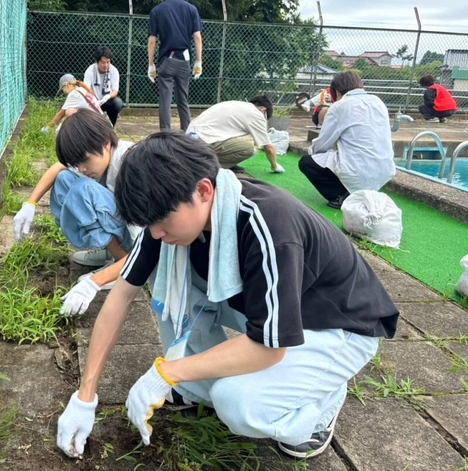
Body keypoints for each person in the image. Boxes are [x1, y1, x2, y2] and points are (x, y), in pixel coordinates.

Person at [56, 132, 399, 461]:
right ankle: (195, 388)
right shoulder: (168, 219)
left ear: (204, 190)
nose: (156, 233)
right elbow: (121, 297)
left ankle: (318, 412)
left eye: (161, 221)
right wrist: (85, 397)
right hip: (279, 313)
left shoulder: (268, 224)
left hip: (338, 326)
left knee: (236, 403)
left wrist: (167, 372)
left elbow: (268, 348)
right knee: (168, 280)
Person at [14, 110, 133, 316]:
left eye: (85, 161)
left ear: (106, 143)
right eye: (77, 163)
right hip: (124, 220)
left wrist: (94, 283)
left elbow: (148, 247)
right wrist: (30, 203)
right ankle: (108, 252)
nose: (82, 169)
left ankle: (118, 263)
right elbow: (58, 168)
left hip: (141, 239)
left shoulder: (130, 165)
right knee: (64, 180)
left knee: (82, 190)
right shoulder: (97, 154)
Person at [299, 72, 395, 210]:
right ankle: (359, 190)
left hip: (356, 171)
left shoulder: (340, 106)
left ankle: (342, 197)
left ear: (337, 91)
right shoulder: (378, 101)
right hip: (385, 171)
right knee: (341, 158)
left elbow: (323, 143)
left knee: (307, 162)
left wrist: (313, 155)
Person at [148, 0, 203, 131]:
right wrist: (198, 61)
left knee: (165, 100)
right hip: (184, 60)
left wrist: (151, 64)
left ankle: (165, 135)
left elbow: (152, 39)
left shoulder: (157, 11)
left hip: (166, 61)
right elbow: (197, 37)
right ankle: (186, 135)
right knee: (183, 100)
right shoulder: (191, 9)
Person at [186, 96, 285, 174]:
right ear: (263, 110)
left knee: (242, 141)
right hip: (202, 142)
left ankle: (221, 163)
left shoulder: (236, 104)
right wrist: (274, 166)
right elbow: (269, 148)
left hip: (190, 139)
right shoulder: (256, 114)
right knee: (248, 149)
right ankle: (206, 167)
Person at [84, 46, 124, 127]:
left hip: (107, 101)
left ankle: (111, 127)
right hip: (93, 101)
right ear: (97, 62)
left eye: (108, 62)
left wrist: (106, 97)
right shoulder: (90, 71)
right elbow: (86, 89)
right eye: (103, 62)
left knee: (118, 103)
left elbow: (115, 91)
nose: (106, 65)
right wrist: (94, 100)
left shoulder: (114, 71)